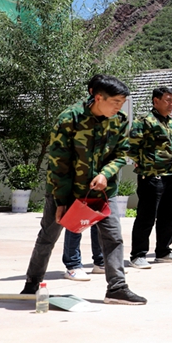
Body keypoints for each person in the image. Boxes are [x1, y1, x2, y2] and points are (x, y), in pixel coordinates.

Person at [20, 75, 146, 305]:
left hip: (102, 192)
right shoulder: (70, 119)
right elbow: (58, 162)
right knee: (48, 236)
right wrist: (61, 201)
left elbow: (121, 154)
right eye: (115, 102)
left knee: (113, 238)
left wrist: (105, 174)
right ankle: (32, 284)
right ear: (98, 97)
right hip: (66, 190)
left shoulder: (119, 120)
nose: (119, 107)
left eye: (121, 103)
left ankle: (117, 288)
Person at [128, 86, 172, 268]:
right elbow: (132, 147)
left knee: (168, 216)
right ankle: (138, 255)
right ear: (156, 101)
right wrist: (143, 163)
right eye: (168, 100)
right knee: (146, 216)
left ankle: (163, 251)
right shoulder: (144, 121)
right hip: (152, 176)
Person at [61, 74, 107, 281]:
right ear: (93, 93)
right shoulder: (75, 116)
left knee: (98, 221)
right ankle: (73, 264)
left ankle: (100, 261)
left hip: (100, 181)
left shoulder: (110, 118)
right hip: (77, 180)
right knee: (76, 223)